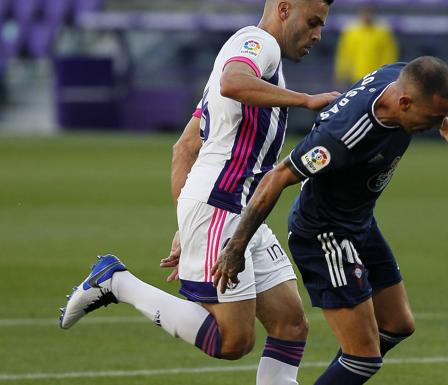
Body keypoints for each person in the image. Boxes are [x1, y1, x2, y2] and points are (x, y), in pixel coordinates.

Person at [59, 1, 340, 385]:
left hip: (240, 212)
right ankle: (116, 282)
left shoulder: (241, 60)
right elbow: (234, 83)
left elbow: (186, 146)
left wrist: (185, 225)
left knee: (291, 324)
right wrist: (307, 101)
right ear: (285, 8)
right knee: (233, 340)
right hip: (222, 205)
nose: (317, 35)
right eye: (312, 22)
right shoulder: (259, 44)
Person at [212, 56, 448, 385]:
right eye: (435, 117)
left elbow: (419, 77)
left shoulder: (399, 77)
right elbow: (277, 177)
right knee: (363, 359)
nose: (438, 123)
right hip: (326, 235)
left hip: (359, 220)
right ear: (405, 103)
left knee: (397, 326)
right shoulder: (343, 137)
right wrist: (237, 247)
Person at [334, 4, 398, 88]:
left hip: (376, 77)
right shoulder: (351, 32)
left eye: (369, 13)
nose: (367, 16)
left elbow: (389, 55)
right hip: (355, 77)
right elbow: (344, 55)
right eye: (365, 13)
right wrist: (341, 74)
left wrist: (387, 74)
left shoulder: (383, 33)